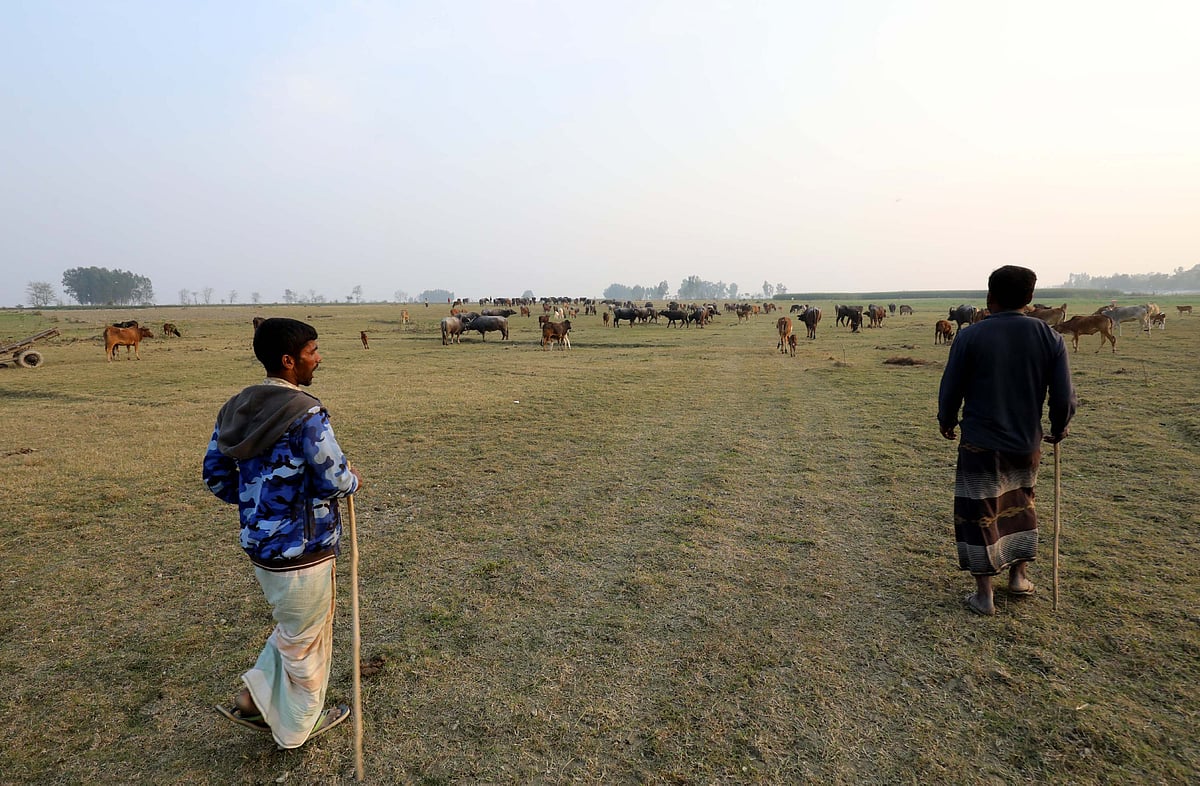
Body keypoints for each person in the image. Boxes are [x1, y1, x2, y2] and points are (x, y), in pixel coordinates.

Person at [203, 317, 361, 747]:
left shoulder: (236, 407)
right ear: (289, 361)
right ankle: (298, 727)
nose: (318, 358)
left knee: (294, 627)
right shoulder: (305, 412)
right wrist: (354, 482)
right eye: (312, 351)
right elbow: (333, 478)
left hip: (261, 545)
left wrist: (259, 501)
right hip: (304, 548)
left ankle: (252, 699)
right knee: (306, 638)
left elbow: (215, 475)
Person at [937, 266, 1077, 616]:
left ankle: (984, 595)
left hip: (980, 443)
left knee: (979, 511)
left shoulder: (970, 336)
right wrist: (1059, 426)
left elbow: (950, 387)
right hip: (1025, 443)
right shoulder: (1050, 338)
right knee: (1019, 502)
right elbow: (1064, 398)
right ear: (1030, 299)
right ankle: (1018, 577)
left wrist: (946, 419)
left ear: (989, 297)